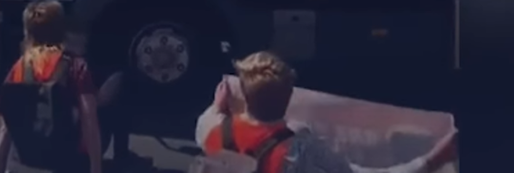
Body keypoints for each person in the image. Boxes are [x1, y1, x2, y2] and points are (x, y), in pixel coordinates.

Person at [195, 52, 458, 173]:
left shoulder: (210, 129)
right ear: (289, 97)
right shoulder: (300, 152)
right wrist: (433, 160)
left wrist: (217, 107)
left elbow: (211, 118)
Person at [0, 1, 141, 173]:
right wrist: (95, 169)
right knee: (118, 87)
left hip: (29, 156)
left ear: (28, 34)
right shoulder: (75, 66)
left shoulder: (19, 68)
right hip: (69, 157)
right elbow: (89, 120)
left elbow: (6, 127)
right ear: (62, 31)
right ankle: (122, 158)